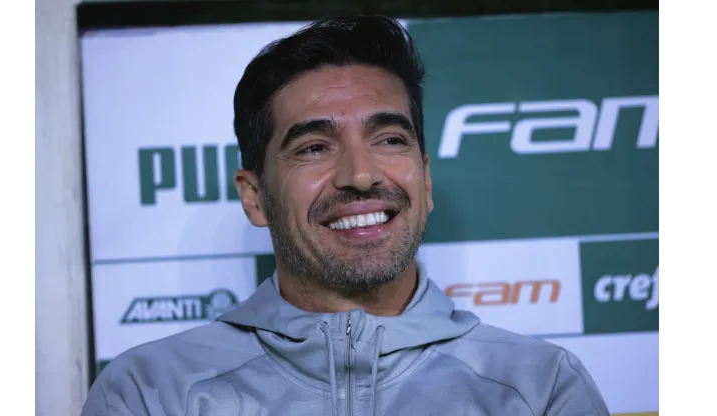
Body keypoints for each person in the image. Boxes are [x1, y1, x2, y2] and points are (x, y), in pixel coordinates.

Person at [81, 15, 610, 416]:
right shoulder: (151, 393)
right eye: (313, 147)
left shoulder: (540, 388)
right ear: (255, 196)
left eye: (389, 138)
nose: (360, 174)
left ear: (425, 181)